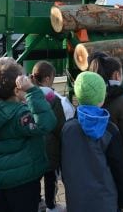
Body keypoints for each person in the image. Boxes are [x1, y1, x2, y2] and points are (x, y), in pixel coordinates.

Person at [0, 60, 57, 212]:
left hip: (2, 179)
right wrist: (33, 91)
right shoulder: (20, 115)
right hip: (22, 180)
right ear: (16, 91)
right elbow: (46, 123)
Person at [61, 71, 123, 212]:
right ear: (102, 97)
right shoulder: (110, 130)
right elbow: (119, 170)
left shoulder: (67, 128)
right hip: (106, 203)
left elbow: (64, 166)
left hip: (77, 201)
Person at [30, 60, 73, 212]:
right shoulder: (57, 100)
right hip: (51, 151)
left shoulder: (27, 97)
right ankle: (51, 205)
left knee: (34, 179)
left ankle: (36, 202)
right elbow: (60, 126)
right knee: (50, 178)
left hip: (33, 151)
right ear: (47, 79)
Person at [88, 55, 123, 162]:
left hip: (93, 158)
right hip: (115, 161)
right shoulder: (122, 102)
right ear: (117, 75)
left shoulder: (90, 98)